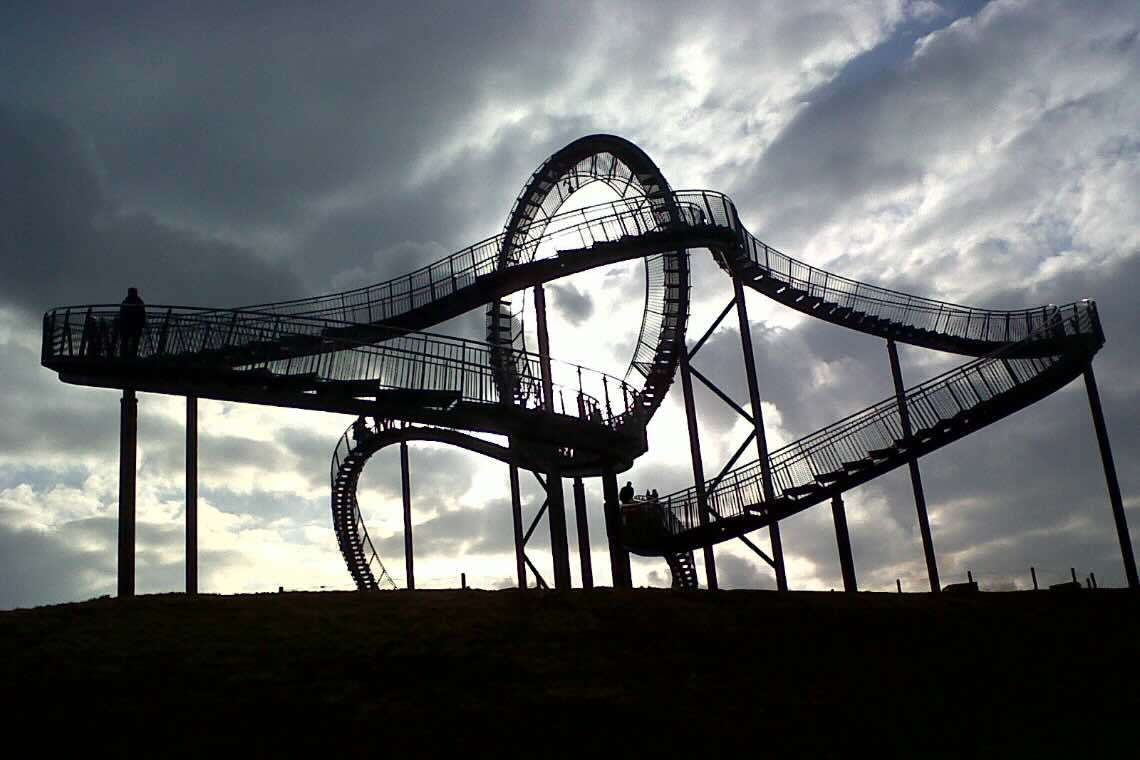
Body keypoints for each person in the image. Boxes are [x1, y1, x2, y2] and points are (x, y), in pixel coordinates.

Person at [118, 287, 145, 358]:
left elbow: (122, 314)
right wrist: (142, 324)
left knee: (125, 342)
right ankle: (132, 356)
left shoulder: (126, 302)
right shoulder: (139, 302)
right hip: (135, 326)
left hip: (127, 326)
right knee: (134, 343)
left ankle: (124, 356)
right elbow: (142, 314)